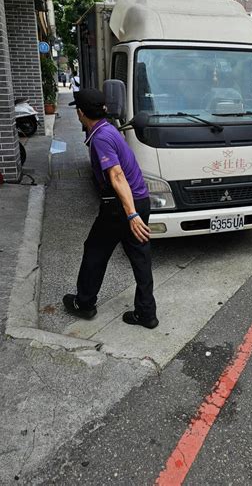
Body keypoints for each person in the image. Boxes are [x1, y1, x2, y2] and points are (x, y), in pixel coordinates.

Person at [63, 88, 158, 329]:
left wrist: (131, 214)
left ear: (80, 113)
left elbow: (116, 176)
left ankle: (84, 303)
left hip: (120, 206)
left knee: (95, 251)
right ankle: (147, 313)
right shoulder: (109, 129)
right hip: (140, 199)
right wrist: (135, 211)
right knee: (140, 258)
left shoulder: (102, 138)